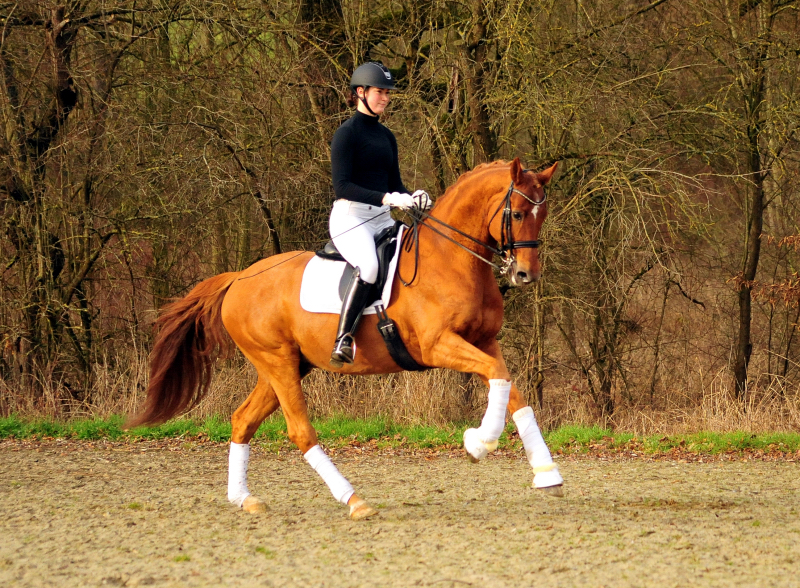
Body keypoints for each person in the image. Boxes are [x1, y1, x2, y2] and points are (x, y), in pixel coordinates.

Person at [328, 62, 431, 366]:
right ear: (360, 92)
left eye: (387, 93)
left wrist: (413, 196)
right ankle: (343, 338)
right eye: (380, 92)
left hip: (383, 218)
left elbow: (395, 184)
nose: (385, 98)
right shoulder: (346, 134)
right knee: (370, 266)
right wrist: (387, 197)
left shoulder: (387, 137)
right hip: (351, 219)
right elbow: (343, 186)